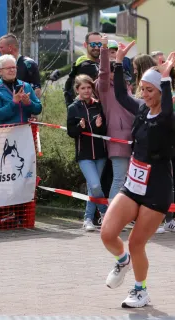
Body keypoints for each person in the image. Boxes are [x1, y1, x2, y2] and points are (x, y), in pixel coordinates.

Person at [101, 43, 175, 308]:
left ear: (161, 92)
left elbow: (168, 109)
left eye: (150, 90)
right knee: (108, 233)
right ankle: (121, 261)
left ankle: (140, 291)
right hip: (133, 183)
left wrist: (167, 78)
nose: (144, 94)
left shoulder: (170, 118)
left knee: (136, 243)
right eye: (143, 89)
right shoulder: (141, 110)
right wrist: (118, 63)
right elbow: (122, 96)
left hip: (157, 188)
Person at [66, 74, 109, 231]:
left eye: (89, 87)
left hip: (100, 153)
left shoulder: (98, 106)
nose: (86, 91)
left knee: (93, 188)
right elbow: (71, 132)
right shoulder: (73, 108)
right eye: (83, 88)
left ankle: (88, 220)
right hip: (84, 154)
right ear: (77, 90)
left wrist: (99, 126)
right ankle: (105, 213)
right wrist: (80, 127)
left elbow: (105, 131)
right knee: (95, 186)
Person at [97, 36, 135, 201]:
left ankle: (124, 215)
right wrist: (104, 48)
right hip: (118, 137)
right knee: (119, 178)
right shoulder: (104, 87)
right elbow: (103, 72)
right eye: (113, 70)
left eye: (117, 70)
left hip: (134, 137)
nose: (114, 73)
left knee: (130, 182)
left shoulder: (127, 88)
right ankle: (110, 216)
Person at [0, 54, 42, 124]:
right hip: (4, 133)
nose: (12, 70)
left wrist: (29, 103)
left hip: (25, 131)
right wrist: (14, 103)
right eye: (8, 68)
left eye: (14, 67)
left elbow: (38, 109)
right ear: (0, 71)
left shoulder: (26, 86)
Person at [64, 31, 101, 106]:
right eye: (93, 44)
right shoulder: (83, 66)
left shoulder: (105, 64)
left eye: (99, 44)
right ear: (85, 45)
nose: (97, 47)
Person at [0, 33, 41, 98]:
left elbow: (37, 90)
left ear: (10, 47)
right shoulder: (0, 64)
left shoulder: (29, 64)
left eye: (1, 47)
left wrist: (30, 104)